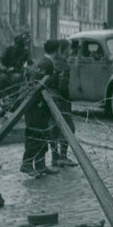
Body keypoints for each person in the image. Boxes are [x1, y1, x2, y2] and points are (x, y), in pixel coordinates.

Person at [20, 42, 59, 178]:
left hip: (41, 106)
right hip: (37, 106)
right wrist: (39, 103)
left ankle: (40, 164)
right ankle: (27, 164)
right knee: (35, 134)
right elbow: (36, 86)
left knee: (43, 134)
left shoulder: (45, 62)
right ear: (57, 51)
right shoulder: (46, 64)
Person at [49, 39, 78, 167]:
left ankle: (55, 157)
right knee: (68, 127)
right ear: (64, 50)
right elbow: (63, 87)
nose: (71, 52)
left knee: (53, 128)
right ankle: (63, 156)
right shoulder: (64, 66)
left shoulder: (52, 63)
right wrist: (67, 98)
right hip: (62, 100)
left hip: (50, 99)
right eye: (69, 49)